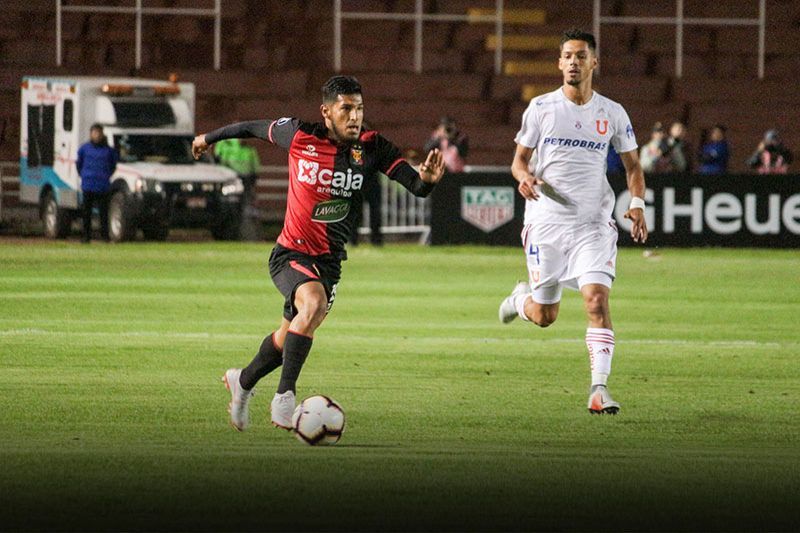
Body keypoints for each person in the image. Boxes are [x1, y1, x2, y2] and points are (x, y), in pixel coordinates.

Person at [191, 76, 445, 431]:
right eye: (346, 109)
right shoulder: (299, 135)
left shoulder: (372, 147)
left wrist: (429, 180)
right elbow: (251, 127)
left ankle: (243, 381)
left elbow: (416, 187)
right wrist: (207, 138)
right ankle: (285, 398)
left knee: (287, 337)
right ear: (326, 112)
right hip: (290, 253)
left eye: (359, 108)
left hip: (330, 263)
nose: (355, 116)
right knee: (311, 305)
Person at [498, 28, 648, 415]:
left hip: (593, 224)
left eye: (581, 56)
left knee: (596, 300)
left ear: (594, 62)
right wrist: (524, 177)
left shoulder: (612, 112)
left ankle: (599, 389)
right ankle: (520, 299)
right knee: (545, 316)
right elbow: (518, 161)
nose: (573, 62)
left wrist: (637, 204)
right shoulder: (542, 108)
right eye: (567, 56)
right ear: (559, 63)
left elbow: (633, 166)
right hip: (546, 223)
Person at [76, 124, 118, 242]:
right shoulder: (84, 149)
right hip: (88, 185)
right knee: (86, 213)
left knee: (103, 213)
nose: (96, 135)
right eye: (94, 132)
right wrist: (84, 175)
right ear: (91, 134)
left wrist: (105, 175)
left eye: (98, 132)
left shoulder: (108, 150)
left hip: (102, 186)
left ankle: (105, 236)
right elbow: (79, 164)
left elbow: (113, 165)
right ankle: (86, 237)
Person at [214, 137, 262, 239]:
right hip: (231, 180)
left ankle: (243, 231)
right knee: (232, 207)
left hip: (246, 181)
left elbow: (255, 167)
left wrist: (253, 179)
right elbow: (220, 161)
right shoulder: (227, 146)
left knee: (243, 207)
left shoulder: (249, 150)